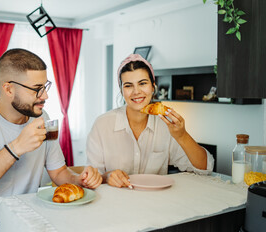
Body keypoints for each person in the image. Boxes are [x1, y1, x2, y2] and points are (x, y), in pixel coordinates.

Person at [0, 48, 102, 231]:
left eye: (45, 87)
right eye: (37, 89)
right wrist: (15, 148)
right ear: (8, 89)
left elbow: (59, 172)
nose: (45, 96)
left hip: (26, 224)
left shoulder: (42, 117)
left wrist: (79, 181)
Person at [86, 54, 214, 188]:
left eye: (142, 83)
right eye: (129, 86)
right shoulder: (102, 125)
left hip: (156, 204)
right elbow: (92, 177)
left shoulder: (166, 125)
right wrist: (107, 176)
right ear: (121, 90)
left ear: (153, 87)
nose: (136, 92)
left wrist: (182, 136)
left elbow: (205, 168)